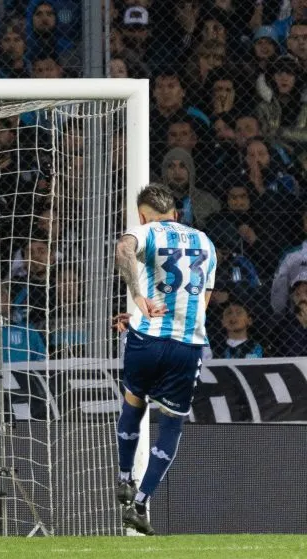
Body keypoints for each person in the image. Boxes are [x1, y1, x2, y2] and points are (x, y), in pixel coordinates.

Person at [113, 184, 217, 535]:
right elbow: (202, 302)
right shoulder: (205, 242)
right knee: (171, 424)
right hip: (186, 346)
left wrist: (138, 298)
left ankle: (124, 477)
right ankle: (141, 503)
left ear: (143, 215)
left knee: (134, 400)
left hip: (146, 339)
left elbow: (123, 250)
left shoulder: (145, 230)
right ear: (175, 213)